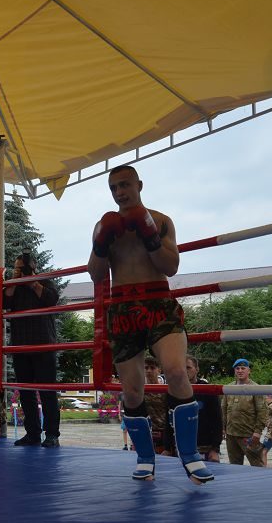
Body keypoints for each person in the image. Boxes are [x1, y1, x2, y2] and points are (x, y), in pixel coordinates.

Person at [86, 165, 213, 484]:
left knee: (176, 371)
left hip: (158, 303)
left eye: (124, 185)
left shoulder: (161, 220)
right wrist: (101, 243)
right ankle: (145, 457)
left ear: (139, 185)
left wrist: (150, 235)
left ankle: (190, 454)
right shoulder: (103, 225)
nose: (119, 192)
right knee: (131, 390)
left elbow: (171, 267)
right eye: (113, 188)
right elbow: (96, 274)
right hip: (123, 307)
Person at [3, 250, 61, 448]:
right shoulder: (13, 286)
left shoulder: (44, 281)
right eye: (16, 268)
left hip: (43, 344)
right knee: (26, 393)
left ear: (33, 267)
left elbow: (52, 299)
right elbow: (4, 302)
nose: (19, 271)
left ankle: (52, 434)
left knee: (47, 392)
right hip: (21, 346)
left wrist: (33, 282)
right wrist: (13, 281)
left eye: (22, 268)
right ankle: (32, 433)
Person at [163, 355, 222, 462]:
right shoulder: (173, 390)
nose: (184, 371)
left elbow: (217, 420)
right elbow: (168, 421)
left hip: (204, 447)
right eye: (182, 367)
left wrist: (215, 449)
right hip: (179, 447)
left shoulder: (207, 389)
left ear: (197, 369)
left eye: (188, 367)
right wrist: (167, 448)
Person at [222, 358, 268, 467]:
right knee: (234, 466)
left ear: (249, 371)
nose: (240, 371)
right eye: (237, 368)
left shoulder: (255, 388)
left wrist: (257, 432)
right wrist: (223, 428)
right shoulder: (229, 387)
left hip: (248, 435)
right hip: (231, 434)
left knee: (257, 465)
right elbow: (223, 409)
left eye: (243, 368)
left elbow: (262, 411)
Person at [143, 356, 168, 455]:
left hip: (163, 433)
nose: (149, 371)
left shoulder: (166, 390)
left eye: (152, 368)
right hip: (144, 432)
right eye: (146, 368)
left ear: (159, 370)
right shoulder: (139, 390)